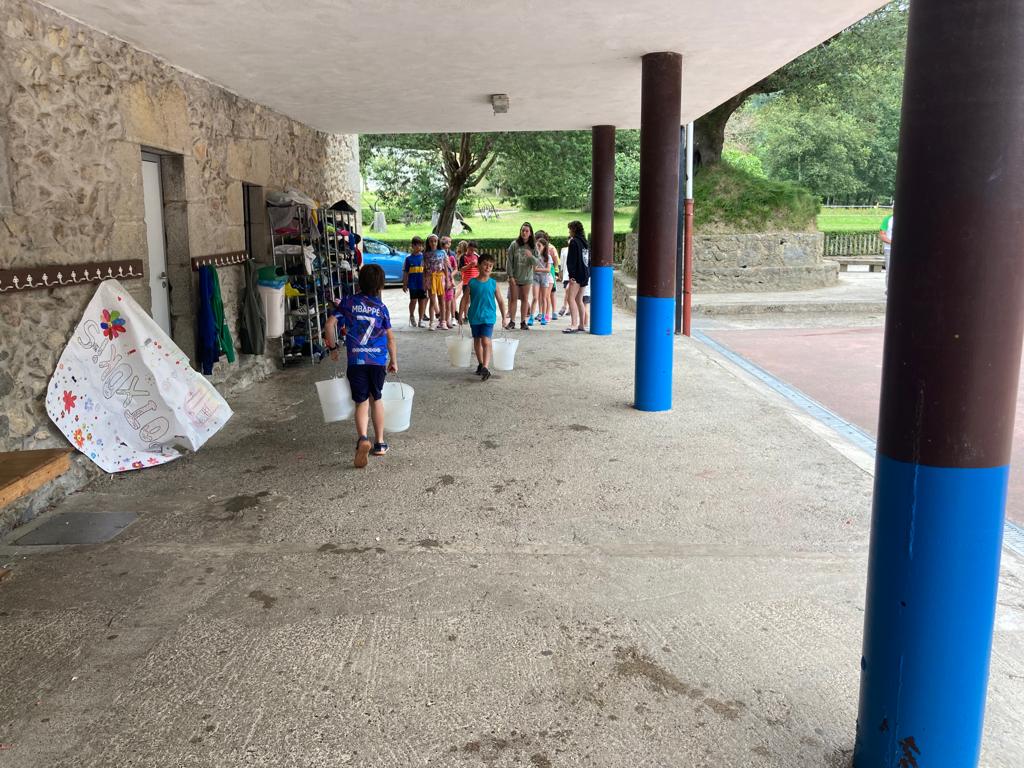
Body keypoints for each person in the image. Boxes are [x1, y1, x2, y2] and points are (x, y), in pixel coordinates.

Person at [324, 264, 398, 467]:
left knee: (361, 402)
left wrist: (333, 348)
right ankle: (380, 443)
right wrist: (393, 360)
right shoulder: (381, 308)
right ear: (380, 285)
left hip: (356, 360)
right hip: (377, 361)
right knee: (377, 399)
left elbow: (329, 325)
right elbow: (390, 338)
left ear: (360, 282)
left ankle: (363, 438)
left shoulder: (348, 302)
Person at [459, 253, 507, 382]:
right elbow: (464, 299)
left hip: (488, 317)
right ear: (479, 266)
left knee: (485, 341)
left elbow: (501, 301)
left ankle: (485, 366)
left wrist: (504, 317)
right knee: (477, 340)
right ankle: (480, 364)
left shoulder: (493, 283)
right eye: (485, 265)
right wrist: (461, 314)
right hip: (474, 316)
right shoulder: (472, 282)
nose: (487, 268)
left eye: (490, 266)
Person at [506, 222, 537, 330]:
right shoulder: (514, 245)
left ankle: (523, 322)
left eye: (527, 231)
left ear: (530, 233)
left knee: (525, 299)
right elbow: (509, 261)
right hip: (515, 277)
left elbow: (537, 262)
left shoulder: (533, 246)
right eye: (523, 230)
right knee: (513, 299)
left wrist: (531, 256)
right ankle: (512, 321)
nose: (524, 233)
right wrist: (510, 276)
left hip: (527, 278)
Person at [563, 220, 590, 333]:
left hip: (576, 275)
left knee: (571, 298)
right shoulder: (585, 242)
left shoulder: (574, 242)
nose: (569, 232)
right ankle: (581, 325)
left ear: (574, 230)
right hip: (585, 274)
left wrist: (571, 276)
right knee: (579, 299)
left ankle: (574, 325)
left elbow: (571, 261)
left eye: (570, 229)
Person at [423, 234, 450, 330]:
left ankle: (443, 321)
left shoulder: (442, 252)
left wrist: (447, 280)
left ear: (438, 242)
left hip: (440, 277)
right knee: (432, 300)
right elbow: (424, 269)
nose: (433, 243)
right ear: (428, 242)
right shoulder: (425, 254)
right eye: (431, 241)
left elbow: (445, 267)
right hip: (430, 278)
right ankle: (432, 323)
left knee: (441, 300)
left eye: (435, 241)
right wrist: (424, 281)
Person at [402, 236, 428, 327]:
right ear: (413, 246)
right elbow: (406, 272)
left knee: (422, 301)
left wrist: (427, 282)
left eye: (421, 245)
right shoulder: (408, 258)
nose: (420, 247)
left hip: (422, 283)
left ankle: (421, 320)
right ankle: (412, 316)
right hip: (412, 284)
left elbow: (427, 271)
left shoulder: (424, 257)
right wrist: (405, 284)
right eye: (417, 245)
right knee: (413, 301)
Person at [529, 234, 555, 326]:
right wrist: (541, 269)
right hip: (536, 279)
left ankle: (543, 317)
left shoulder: (548, 257)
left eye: (539, 246)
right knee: (535, 298)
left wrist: (538, 269)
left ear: (544, 247)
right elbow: (534, 269)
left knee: (544, 298)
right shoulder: (535, 256)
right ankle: (531, 317)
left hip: (545, 279)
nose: (537, 247)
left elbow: (548, 270)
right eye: (537, 245)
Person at [879, 211, 894, 288]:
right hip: (889, 249)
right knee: (890, 271)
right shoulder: (888, 219)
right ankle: (889, 290)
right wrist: (893, 243)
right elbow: (882, 235)